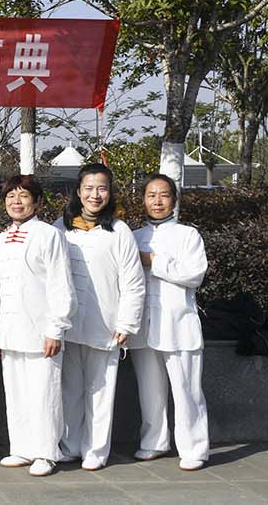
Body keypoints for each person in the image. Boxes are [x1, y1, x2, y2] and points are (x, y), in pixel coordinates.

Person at [55, 163, 145, 470]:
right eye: (89, 188)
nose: (95, 195)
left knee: (101, 391)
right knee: (69, 389)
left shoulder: (119, 231)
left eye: (102, 188)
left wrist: (127, 322)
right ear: (78, 192)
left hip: (105, 323)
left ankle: (95, 450)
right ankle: (69, 445)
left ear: (110, 193)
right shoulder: (60, 227)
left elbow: (133, 282)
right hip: (68, 324)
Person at [0, 174, 74, 477]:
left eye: (23, 196)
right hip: (10, 329)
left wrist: (56, 328)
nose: (16, 201)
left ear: (36, 202)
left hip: (41, 329)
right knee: (16, 392)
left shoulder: (49, 235)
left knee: (44, 392)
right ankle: (22, 448)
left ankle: (46, 452)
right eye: (11, 196)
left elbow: (61, 284)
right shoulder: (1, 239)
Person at [131, 173, 210, 471]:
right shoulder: (133, 236)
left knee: (186, 389)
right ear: (143, 199)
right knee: (149, 388)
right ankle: (154, 441)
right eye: (151, 195)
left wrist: (154, 261)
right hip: (144, 322)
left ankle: (194, 448)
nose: (157, 201)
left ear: (174, 200)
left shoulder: (188, 235)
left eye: (164, 195)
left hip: (178, 323)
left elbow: (194, 274)